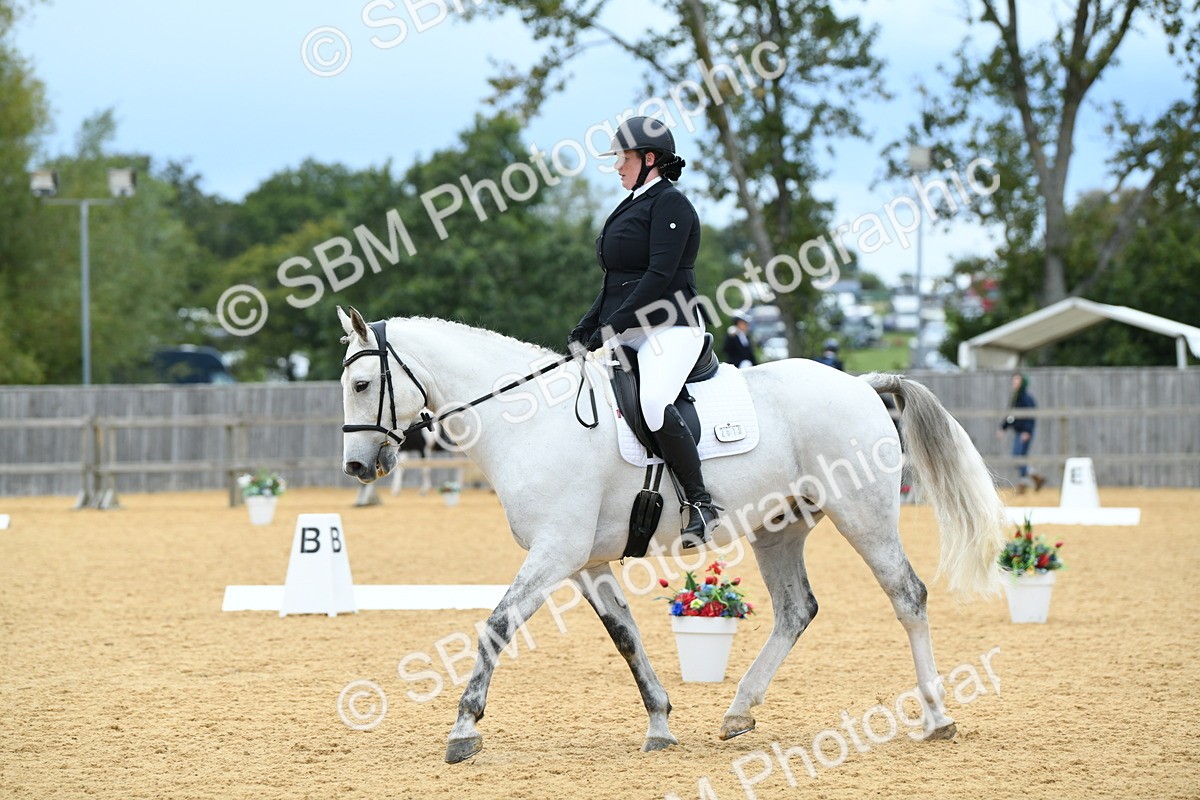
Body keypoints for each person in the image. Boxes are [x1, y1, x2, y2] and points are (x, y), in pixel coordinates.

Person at [567, 115, 718, 548]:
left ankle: (700, 503)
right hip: (631, 327)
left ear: (649, 159)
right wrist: (590, 323)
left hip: (671, 325)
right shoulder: (633, 202)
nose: (616, 166)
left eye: (623, 157)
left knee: (653, 401)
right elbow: (617, 279)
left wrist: (614, 325)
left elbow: (658, 275)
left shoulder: (670, 204)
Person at [998, 372, 1045, 493]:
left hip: (1024, 432)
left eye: (1017, 381)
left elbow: (1030, 416)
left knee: (1019, 457)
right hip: (1018, 432)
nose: (1015, 383)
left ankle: (1024, 482)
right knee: (1017, 458)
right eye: (1014, 381)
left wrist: (1027, 431)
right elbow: (1011, 415)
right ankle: (1035, 477)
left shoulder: (1026, 398)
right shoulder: (1015, 397)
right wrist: (1003, 427)